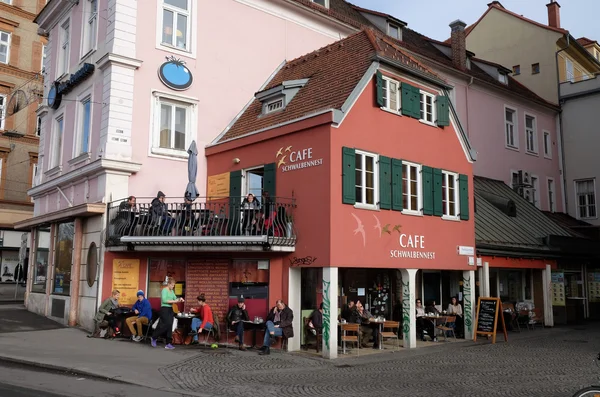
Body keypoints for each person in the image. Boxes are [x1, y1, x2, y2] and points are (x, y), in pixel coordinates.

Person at [151, 277, 184, 349]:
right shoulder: (164, 290)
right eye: (172, 285)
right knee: (163, 325)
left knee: (170, 325)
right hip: (164, 309)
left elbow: (175, 298)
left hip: (170, 309)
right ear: (168, 284)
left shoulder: (172, 291)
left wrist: (179, 299)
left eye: (174, 285)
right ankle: (154, 337)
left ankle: (168, 343)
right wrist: (175, 301)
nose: (173, 286)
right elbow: (164, 300)